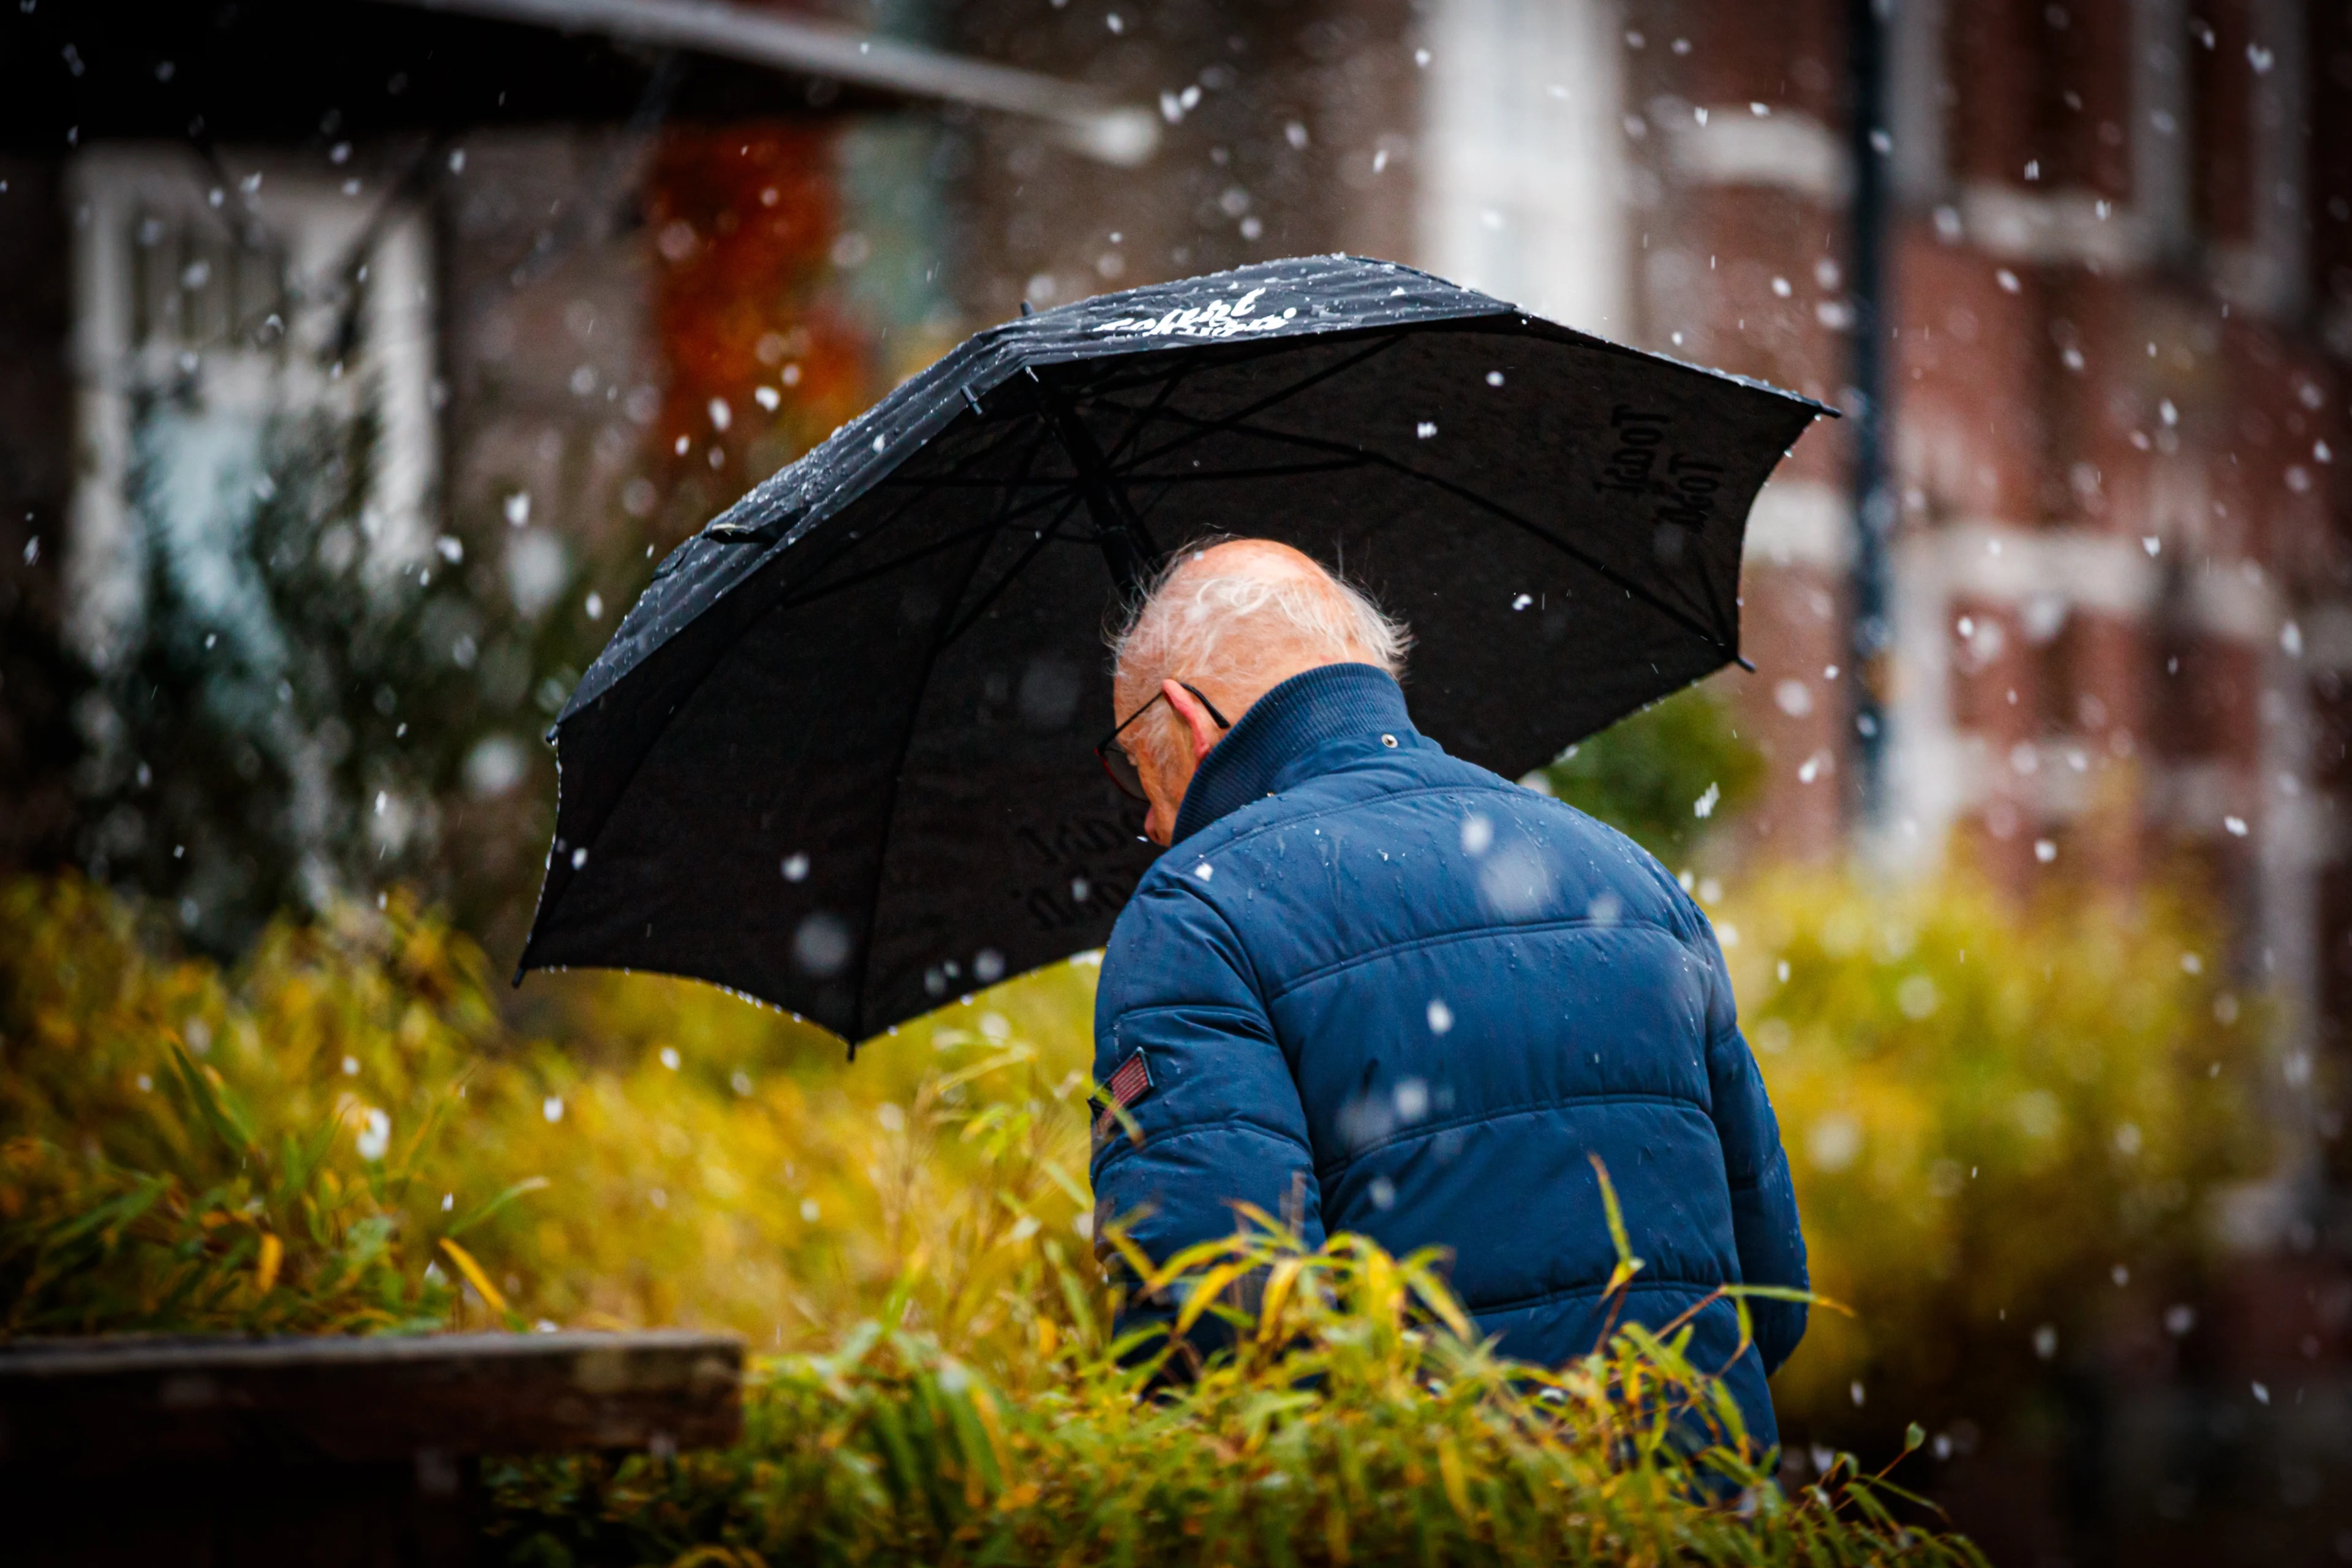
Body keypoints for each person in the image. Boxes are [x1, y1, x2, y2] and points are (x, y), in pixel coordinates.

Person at [1088, 537, 1807, 1448]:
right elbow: (1770, 1297)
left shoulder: (1197, 913)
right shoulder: (1631, 879)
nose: (1151, 822)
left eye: (1135, 773)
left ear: (1189, 718)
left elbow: (1214, 1341)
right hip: (1696, 1523)